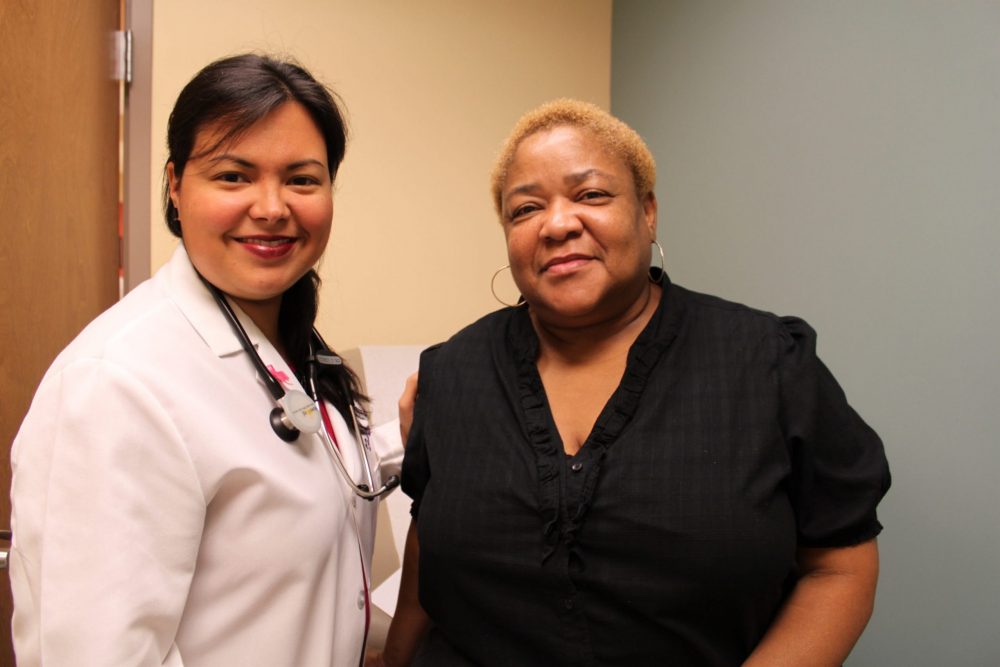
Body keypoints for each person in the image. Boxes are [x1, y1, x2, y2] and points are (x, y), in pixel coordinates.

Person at [377, 99, 891, 666]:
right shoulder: (450, 377)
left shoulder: (766, 365)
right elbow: (429, 563)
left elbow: (839, 565)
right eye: (525, 209)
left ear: (648, 212)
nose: (557, 223)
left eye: (591, 195)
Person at [9, 53, 402, 667]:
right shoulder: (117, 384)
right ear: (174, 184)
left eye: (302, 179)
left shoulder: (281, 346)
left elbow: (288, 498)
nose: (272, 207)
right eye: (233, 176)